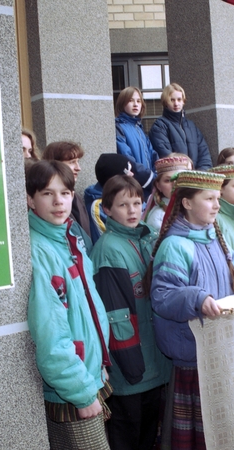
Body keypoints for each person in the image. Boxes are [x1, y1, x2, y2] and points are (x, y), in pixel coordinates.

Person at [148, 170, 234, 448]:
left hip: (218, 350)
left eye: (217, 198)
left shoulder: (214, 239)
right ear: (186, 203)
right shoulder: (175, 246)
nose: (217, 205)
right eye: (209, 198)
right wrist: (197, 299)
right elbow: (162, 296)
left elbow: (232, 281)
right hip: (193, 356)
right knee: (199, 439)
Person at [25, 160, 112, 450]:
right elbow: (51, 337)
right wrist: (82, 391)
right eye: (47, 194)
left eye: (65, 193)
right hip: (72, 389)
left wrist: (99, 366)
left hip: (87, 374)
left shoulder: (70, 237)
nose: (58, 201)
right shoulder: (40, 251)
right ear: (30, 198)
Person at [90, 175, 172, 450]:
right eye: (123, 205)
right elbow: (116, 315)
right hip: (131, 370)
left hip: (152, 363)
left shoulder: (146, 237)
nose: (133, 210)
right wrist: (132, 367)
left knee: (149, 434)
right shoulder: (109, 249)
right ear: (107, 209)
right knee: (128, 437)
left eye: (137, 203)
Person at [85, 154, 152, 243]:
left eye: (136, 203)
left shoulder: (129, 194)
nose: (132, 174)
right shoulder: (98, 206)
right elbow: (103, 239)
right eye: (127, 171)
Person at [149, 83, 212, 170]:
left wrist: (200, 175)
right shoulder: (160, 126)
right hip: (174, 178)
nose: (176, 103)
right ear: (165, 102)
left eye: (179, 99)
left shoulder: (192, 126)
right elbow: (165, 155)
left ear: (183, 101)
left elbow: (204, 155)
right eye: (172, 100)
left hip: (196, 180)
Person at [42, 141, 92, 240]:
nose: (78, 168)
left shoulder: (76, 197)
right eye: (72, 162)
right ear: (55, 164)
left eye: (78, 161)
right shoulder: (43, 201)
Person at [115, 86, 158, 192]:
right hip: (134, 184)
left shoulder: (138, 127)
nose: (135, 104)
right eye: (130, 101)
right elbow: (126, 157)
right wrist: (150, 178)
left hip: (149, 184)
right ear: (122, 103)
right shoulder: (118, 126)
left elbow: (152, 154)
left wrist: (157, 173)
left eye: (138, 101)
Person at [143, 154, 192, 232]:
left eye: (180, 179)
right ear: (158, 186)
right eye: (168, 180)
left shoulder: (194, 208)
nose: (175, 184)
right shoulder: (158, 216)